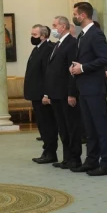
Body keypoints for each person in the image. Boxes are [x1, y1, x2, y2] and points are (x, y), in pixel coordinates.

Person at [69, 2, 107, 176]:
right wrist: (75, 67)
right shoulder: (82, 36)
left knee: (101, 128)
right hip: (84, 88)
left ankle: (106, 164)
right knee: (89, 128)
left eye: (75, 14)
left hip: (95, 88)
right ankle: (91, 160)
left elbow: (105, 59)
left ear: (83, 15)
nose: (74, 16)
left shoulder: (96, 34)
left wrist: (83, 68)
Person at [46, 17, 81, 169]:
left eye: (55, 25)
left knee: (71, 127)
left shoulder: (72, 43)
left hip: (66, 93)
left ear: (64, 26)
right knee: (62, 127)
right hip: (56, 93)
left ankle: (75, 158)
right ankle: (66, 157)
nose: (53, 28)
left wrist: (71, 93)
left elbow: (72, 71)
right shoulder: (58, 44)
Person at [26, 25, 58, 164]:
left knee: (48, 124)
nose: (32, 37)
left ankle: (51, 152)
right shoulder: (37, 48)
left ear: (43, 36)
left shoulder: (48, 49)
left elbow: (48, 74)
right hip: (35, 94)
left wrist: (46, 94)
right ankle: (46, 150)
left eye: (35, 34)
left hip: (43, 95)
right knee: (42, 124)